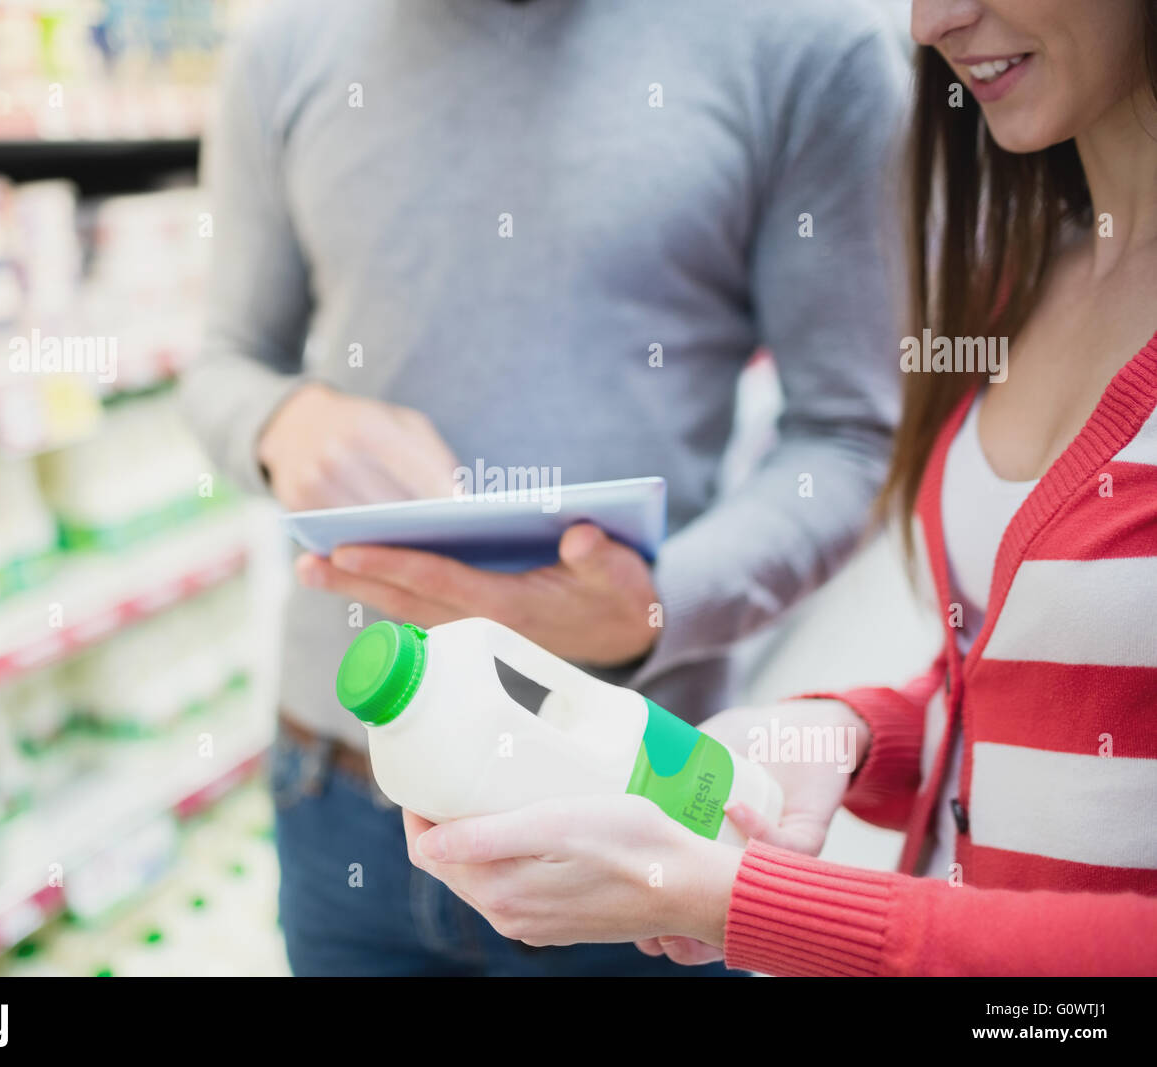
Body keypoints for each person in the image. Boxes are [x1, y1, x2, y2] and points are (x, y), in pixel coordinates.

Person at [403, 0, 1157, 977]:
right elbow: (1046, 687)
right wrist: (845, 730)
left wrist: (738, 904)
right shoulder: (1027, 275)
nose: (933, 20)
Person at [181, 0, 907, 977]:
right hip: (341, 787)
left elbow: (851, 435)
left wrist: (654, 607)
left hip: (635, 804)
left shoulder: (808, 46)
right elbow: (225, 357)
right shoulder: (284, 48)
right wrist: (279, 422)